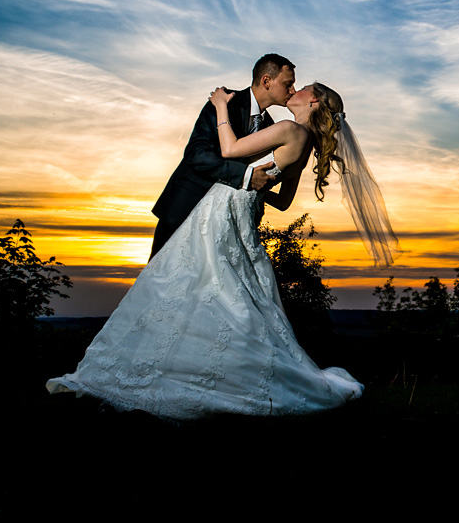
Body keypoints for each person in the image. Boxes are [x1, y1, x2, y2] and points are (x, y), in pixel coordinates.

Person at [46, 80, 398, 420]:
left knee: (192, 280)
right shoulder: (305, 143)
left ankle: (173, 365)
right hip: (245, 210)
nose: (297, 89)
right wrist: (259, 186)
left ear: (314, 101)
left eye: (304, 88)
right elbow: (285, 201)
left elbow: (229, 150)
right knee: (221, 286)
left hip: (224, 207)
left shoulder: (291, 129)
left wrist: (219, 106)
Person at [148, 53, 297, 259]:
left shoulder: (272, 128)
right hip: (185, 209)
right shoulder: (225, 102)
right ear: (267, 81)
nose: (293, 91)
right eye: (288, 84)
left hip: (224, 227)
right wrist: (245, 175)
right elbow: (196, 153)